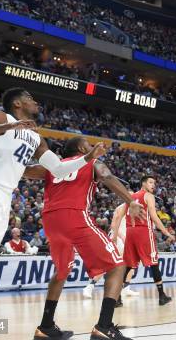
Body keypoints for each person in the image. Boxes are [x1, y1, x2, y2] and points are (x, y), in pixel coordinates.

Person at [0, 88, 105, 327]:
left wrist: (88, 158)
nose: (35, 101)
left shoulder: (37, 138)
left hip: (4, 197)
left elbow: (57, 169)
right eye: (30, 98)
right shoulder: (0, 117)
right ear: (17, 104)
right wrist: (8, 127)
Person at [22, 136, 143, 340]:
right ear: (80, 148)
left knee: (61, 271)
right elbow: (108, 177)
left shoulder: (55, 166)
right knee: (117, 265)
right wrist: (130, 200)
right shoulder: (92, 161)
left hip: (50, 220)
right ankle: (104, 327)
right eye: (87, 144)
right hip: (74, 215)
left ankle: (45, 327)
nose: (91, 146)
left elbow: (26, 171)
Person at [111, 176, 175, 306]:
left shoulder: (130, 197)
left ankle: (117, 298)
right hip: (143, 232)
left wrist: (114, 235)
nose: (153, 185)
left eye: (154, 183)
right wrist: (166, 232)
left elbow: (118, 216)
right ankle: (162, 296)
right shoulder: (148, 196)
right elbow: (154, 216)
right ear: (143, 183)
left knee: (128, 266)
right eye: (151, 182)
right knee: (153, 263)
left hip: (130, 232)